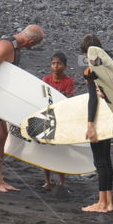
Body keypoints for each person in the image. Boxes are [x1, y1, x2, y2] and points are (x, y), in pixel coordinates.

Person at [0, 24, 44, 193]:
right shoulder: (4, 46)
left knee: (3, 135)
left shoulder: (15, 48)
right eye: (34, 45)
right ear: (29, 41)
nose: (32, 48)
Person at [80, 35, 113, 213]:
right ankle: (109, 202)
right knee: (106, 160)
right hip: (111, 116)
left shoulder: (90, 71)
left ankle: (102, 204)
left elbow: (92, 99)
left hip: (99, 117)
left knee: (100, 162)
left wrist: (90, 125)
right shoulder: (110, 68)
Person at [41, 51, 74, 191]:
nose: (56, 66)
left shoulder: (68, 81)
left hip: (62, 119)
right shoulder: (45, 80)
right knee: (46, 151)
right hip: (47, 118)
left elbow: (68, 99)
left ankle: (61, 182)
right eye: (53, 63)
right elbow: (42, 98)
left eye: (59, 63)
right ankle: (47, 181)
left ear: (65, 66)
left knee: (61, 151)